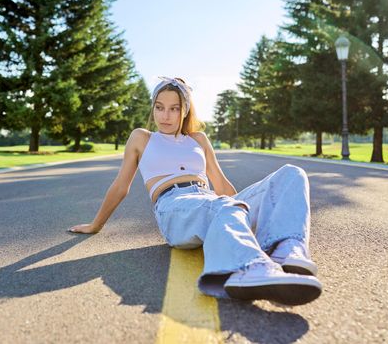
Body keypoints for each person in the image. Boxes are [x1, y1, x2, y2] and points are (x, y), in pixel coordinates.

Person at [69, 77, 322, 306]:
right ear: (153, 108)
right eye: (159, 107)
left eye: (174, 108)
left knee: (291, 174)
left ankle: (285, 248)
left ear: (185, 110)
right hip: (173, 207)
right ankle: (248, 268)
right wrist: (96, 225)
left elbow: (222, 186)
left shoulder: (198, 139)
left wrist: (239, 215)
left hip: (211, 201)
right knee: (221, 205)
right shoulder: (142, 138)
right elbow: (120, 186)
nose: (165, 115)